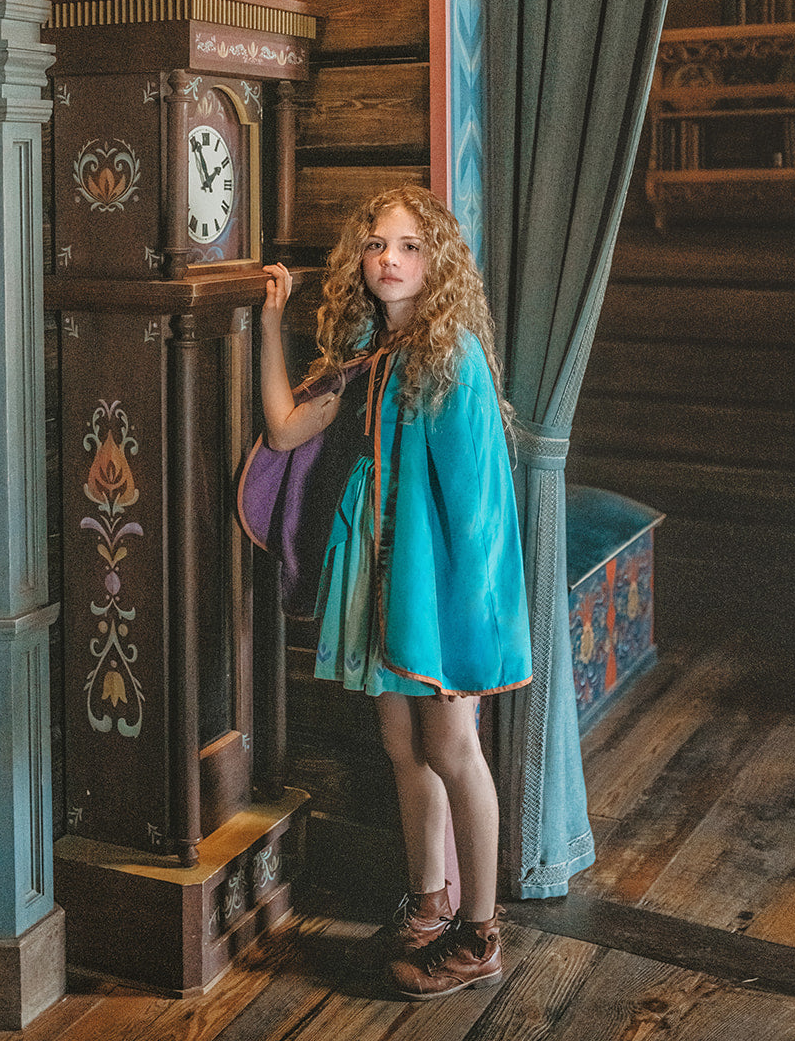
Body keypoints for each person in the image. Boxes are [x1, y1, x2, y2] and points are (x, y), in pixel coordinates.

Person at [245, 184, 532, 999]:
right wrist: (270, 323)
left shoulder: (455, 359)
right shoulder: (370, 359)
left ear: (436, 259)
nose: (390, 260)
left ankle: (480, 932)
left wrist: (462, 628)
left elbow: (478, 508)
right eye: (376, 245)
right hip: (375, 580)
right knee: (404, 749)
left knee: (451, 748)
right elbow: (282, 429)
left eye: (408, 246)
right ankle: (428, 902)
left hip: (432, 595)